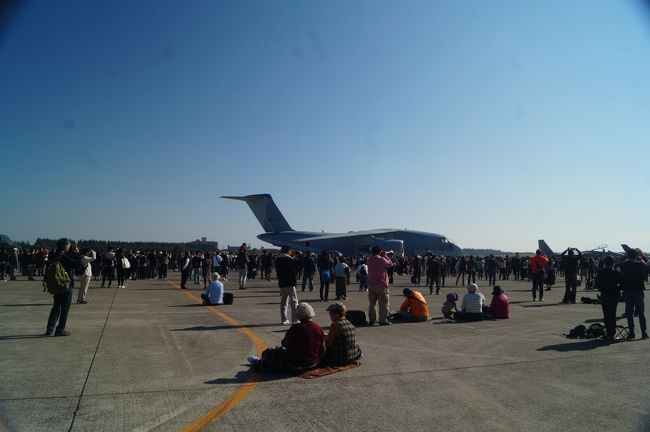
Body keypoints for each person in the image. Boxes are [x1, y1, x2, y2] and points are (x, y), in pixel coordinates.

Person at [248, 302, 325, 373]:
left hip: (295, 364)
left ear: (298, 315)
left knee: (271, 352)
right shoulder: (318, 328)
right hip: (313, 364)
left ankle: (258, 362)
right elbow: (322, 346)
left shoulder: (295, 328)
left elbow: (284, 344)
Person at [45, 238, 80, 336]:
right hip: (66, 285)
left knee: (56, 307)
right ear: (66, 247)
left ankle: (49, 329)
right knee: (65, 308)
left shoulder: (54, 255)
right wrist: (77, 253)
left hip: (56, 285)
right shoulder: (64, 256)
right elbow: (79, 264)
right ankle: (60, 329)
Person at [619, 249, 649, 340]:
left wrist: (625, 256)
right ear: (636, 256)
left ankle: (631, 333)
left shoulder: (624, 265)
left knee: (629, 314)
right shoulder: (641, 265)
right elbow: (648, 265)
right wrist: (642, 256)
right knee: (641, 314)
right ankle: (644, 333)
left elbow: (619, 262)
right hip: (638, 291)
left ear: (628, 256)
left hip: (628, 291)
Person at [595, 256, 622, 340]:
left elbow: (597, 285)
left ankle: (609, 333)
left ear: (605, 263)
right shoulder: (616, 273)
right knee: (613, 314)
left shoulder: (601, 272)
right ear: (613, 263)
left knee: (606, 315)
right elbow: (621, 284)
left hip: (605, 295)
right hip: (614, 295)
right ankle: (612, 332)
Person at [367, 246, 394, 326]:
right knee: (383, 303)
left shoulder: (369, 260)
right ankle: (382, 320)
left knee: (372, 303)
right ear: (380, 252)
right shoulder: (382, 259)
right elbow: (391, 264)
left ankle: (372, 320)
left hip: (371, 283)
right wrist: (385, 255)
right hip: (381, 284)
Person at [275, 245, 299, 325]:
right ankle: (295, 320)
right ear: (288, 251)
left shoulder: (278, 259)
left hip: (282, 283)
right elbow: (298, 265)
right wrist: (297, 256)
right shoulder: (289, 259)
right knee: (294, 302)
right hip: (290, 283)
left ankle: (284, 319)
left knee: (283, 302)